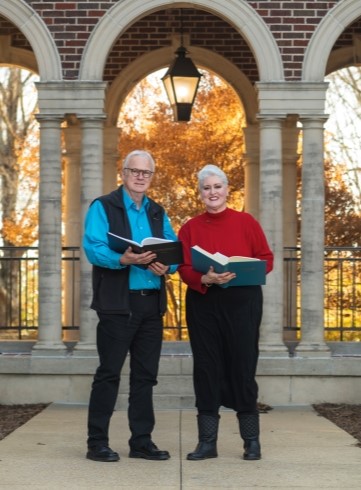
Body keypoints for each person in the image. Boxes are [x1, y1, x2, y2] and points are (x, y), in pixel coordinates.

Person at [83, 150, 178, 463]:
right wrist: (121, 259)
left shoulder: (157, 211)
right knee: (108, 374)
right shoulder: (103, 206)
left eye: (146, 173)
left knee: (145, 377)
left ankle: (141, 441)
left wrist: (168, 267)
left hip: (151, 304)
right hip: (116, 306)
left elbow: (172, 248)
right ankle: (97, 443)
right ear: (123, 172)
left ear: (152, 176)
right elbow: (94, 247)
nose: (140, 176)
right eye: (134, 171)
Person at [177, 164, 273, 462]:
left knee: (242, 368)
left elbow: (266, 259)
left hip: (242, 302)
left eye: (217, 186)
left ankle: (251, 442)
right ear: (200, 193)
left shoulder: (246, 222)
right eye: (206, 188)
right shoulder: (190, 227)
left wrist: (244, 269)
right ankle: (207, 443)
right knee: (206, 368)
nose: (212, 192)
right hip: (204, 303)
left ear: (227, 189)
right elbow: (182, 266)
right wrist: (204, 278)